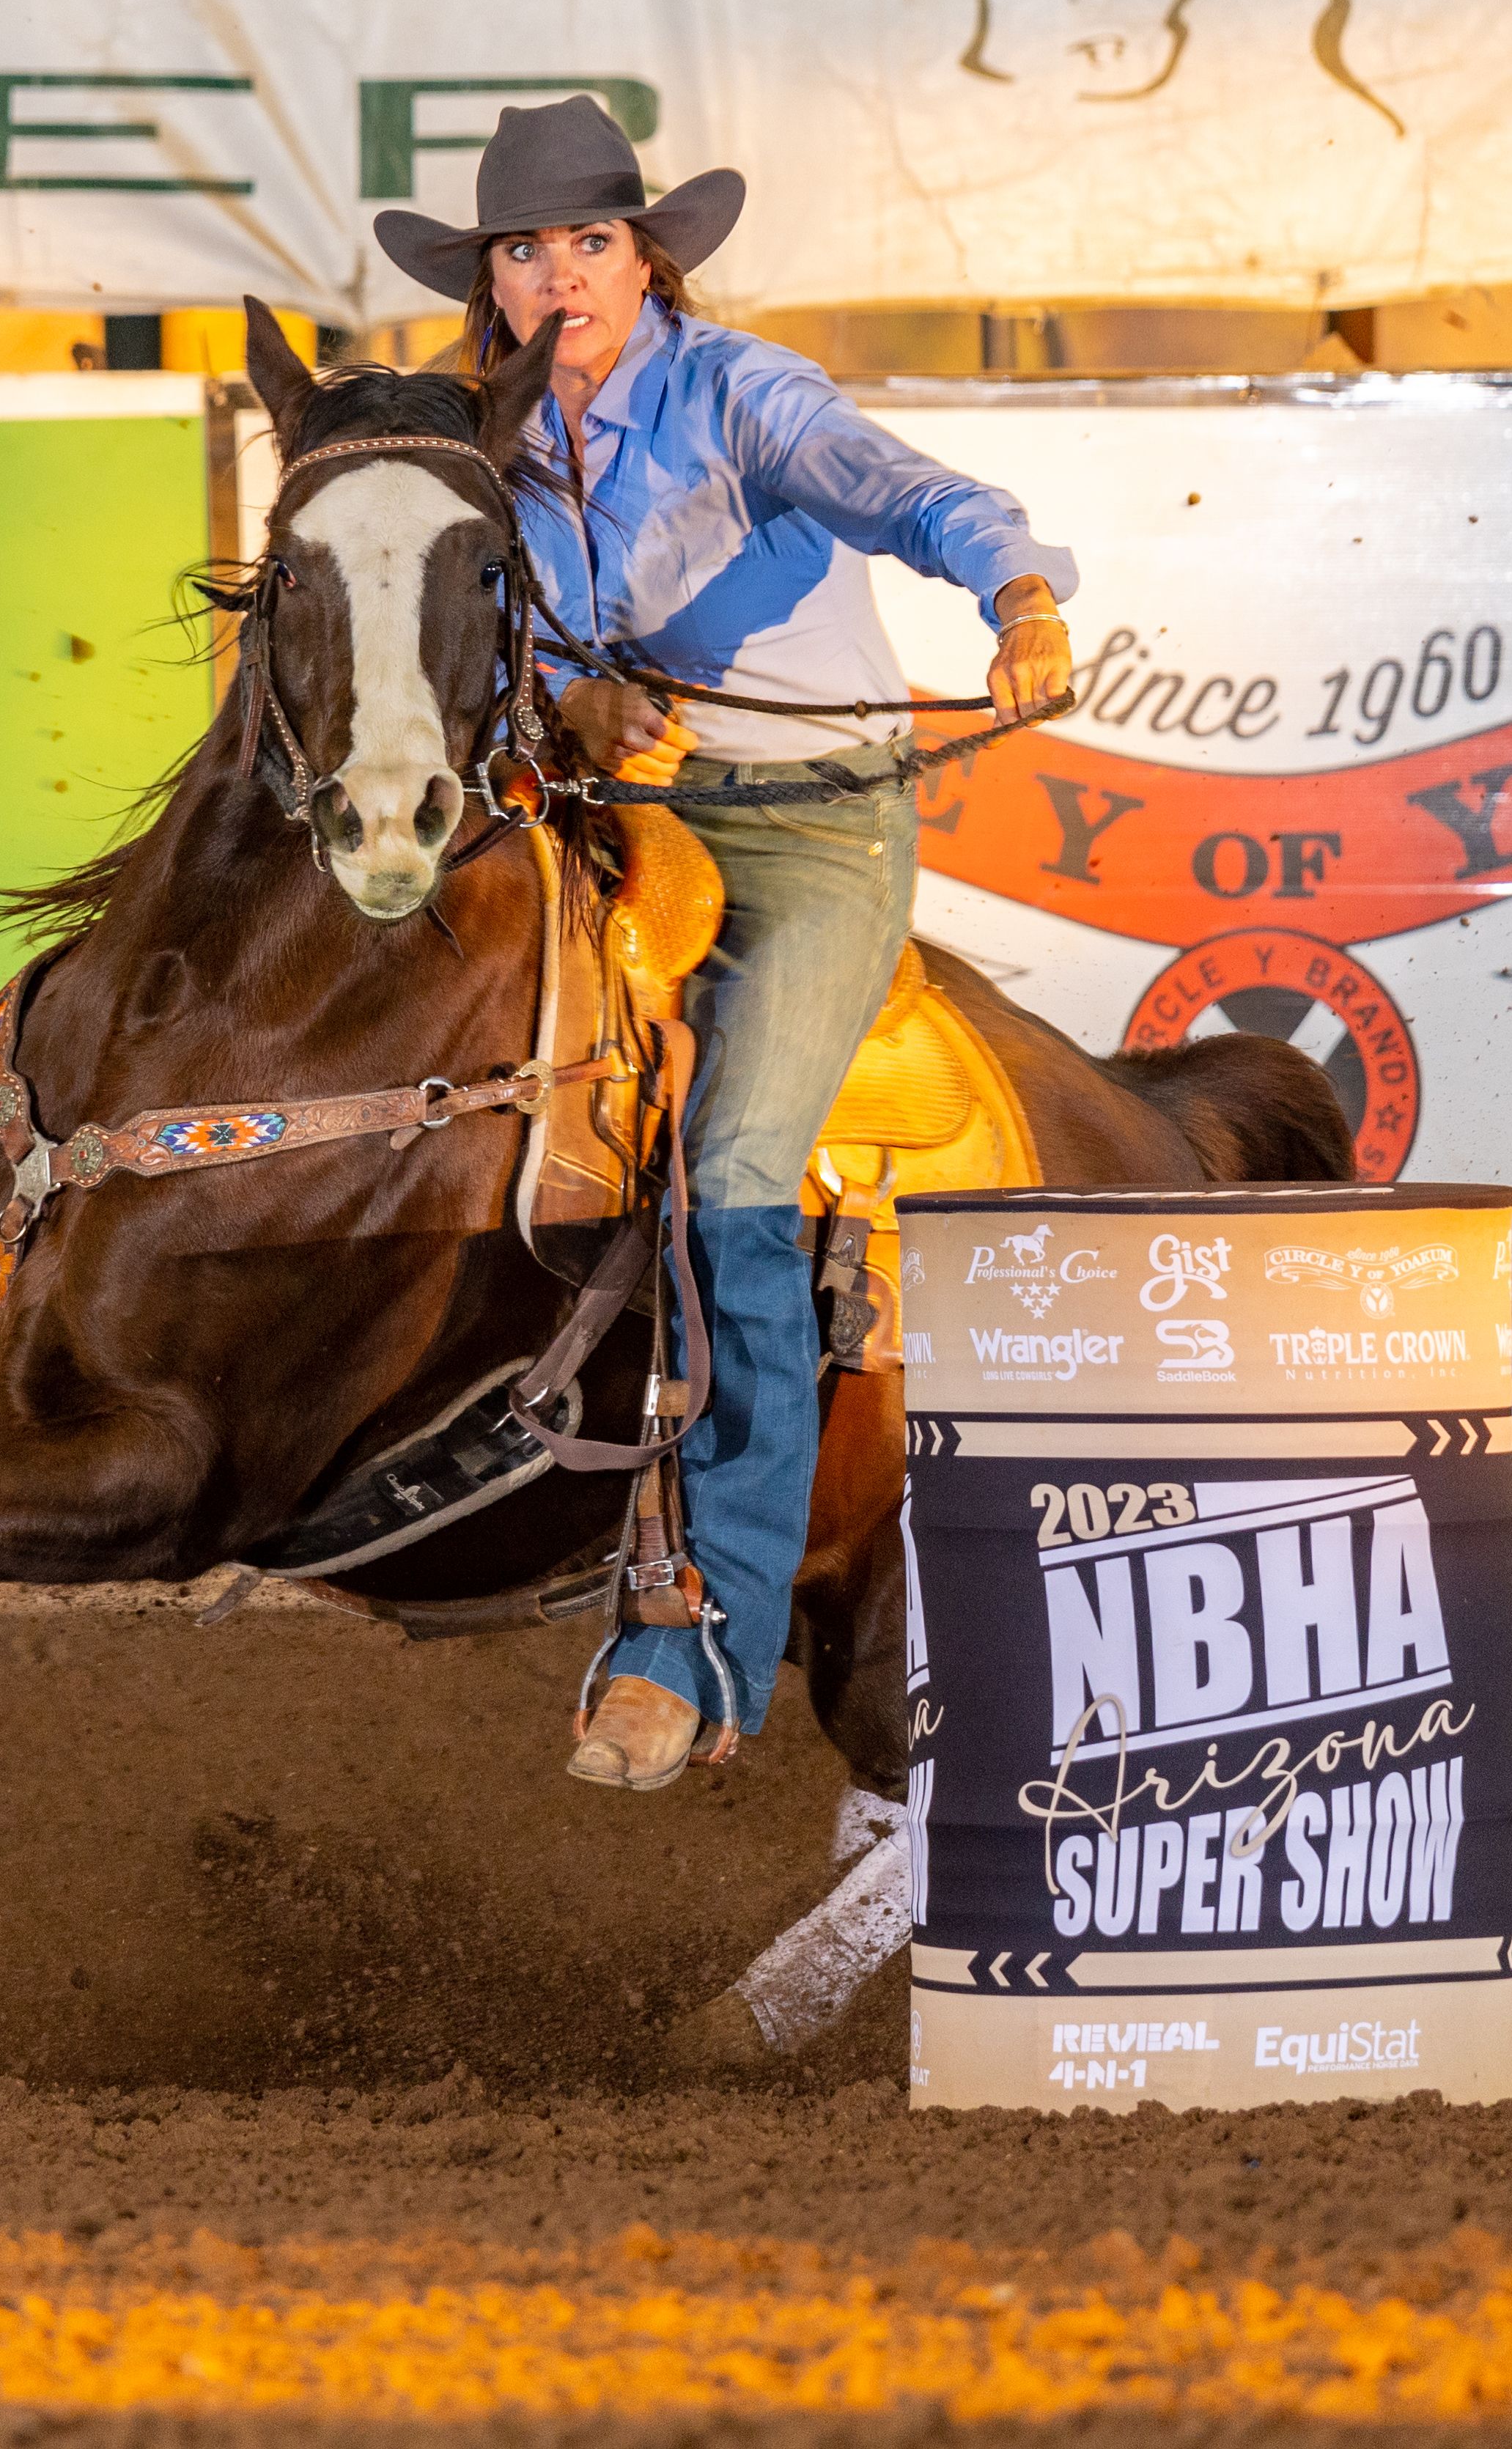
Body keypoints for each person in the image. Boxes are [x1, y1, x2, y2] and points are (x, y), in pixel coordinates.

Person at [372, 97, 1074, 1791]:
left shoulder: (741, 393)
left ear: (645, 257)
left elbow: (907, 493)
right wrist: (572, 702)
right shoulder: (482, 440)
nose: (558, 276)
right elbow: (473, 656)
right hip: (619, 820)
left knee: (743, 1164)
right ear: (493, 281)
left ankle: (701, 1630)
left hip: (819, 822)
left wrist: (1023, 594)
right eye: (524, 252)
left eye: (587, 244)